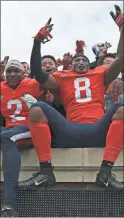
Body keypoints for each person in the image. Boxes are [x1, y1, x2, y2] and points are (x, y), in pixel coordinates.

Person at [18, 5, 124, 190]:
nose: (81, 62)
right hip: (70, 130)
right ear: (70, 65)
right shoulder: (62, 77)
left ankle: (105, 172)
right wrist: (37, 42)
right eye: (77, 60)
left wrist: (122, 29)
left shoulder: (100, 74)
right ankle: (45, 172)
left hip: (99, 129)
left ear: (89, 65)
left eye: (84, 60)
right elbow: (37, 72)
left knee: (122, 108)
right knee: (37, 109)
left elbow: (121, 58)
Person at [0, 60, 48, 217]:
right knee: (6, 135)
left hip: (30, 128)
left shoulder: (33, 84)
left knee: (6, 137)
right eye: (9, 71)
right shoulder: (1, 87)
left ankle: (9, 204)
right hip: (9, 130)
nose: (12, 74)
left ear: (23, 73)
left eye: (16, 71)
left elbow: (56, 85)